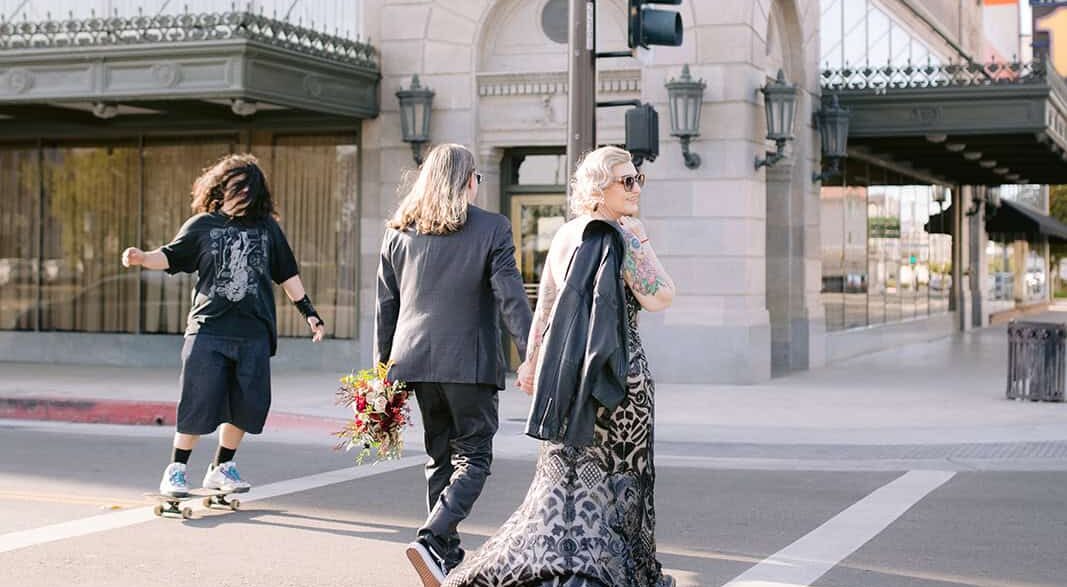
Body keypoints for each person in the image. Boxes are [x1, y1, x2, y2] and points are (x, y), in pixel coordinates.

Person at [443, 146, 677, 587]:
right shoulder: (619, 236)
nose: (635, 189)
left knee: (558, 488)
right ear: (597, 188)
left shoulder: (567, 235)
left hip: (569, 383)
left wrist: (532, 363)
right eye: (625, 181)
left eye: (637, 180)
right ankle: (613, 572)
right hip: (621, 383)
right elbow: (660, 295)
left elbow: (546, 309)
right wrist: (640, 237)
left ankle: (536, 567)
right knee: (621, 484)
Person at [374, 143, 533, 587]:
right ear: (468, 180)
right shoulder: (492, 227)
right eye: (478, 177)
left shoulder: (398, 231)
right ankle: (432, 536)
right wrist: (531, 354)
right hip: (469, 362)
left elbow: (385, 308)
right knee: (475, 456)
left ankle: (444, 552)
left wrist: (381, 374)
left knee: (439, 455)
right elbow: (511, 299)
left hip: (414, 361)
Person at [120, 154, 325, 498]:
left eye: (248, 189)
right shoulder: (202, 225)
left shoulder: (267, 229)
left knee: (246, 405)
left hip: (254, 332)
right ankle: (177, 469)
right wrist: (142, 257)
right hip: (208, 329)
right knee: (197, 400)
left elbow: (287, 274)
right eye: (236, 188)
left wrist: (310, 313)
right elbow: (171, 256)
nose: (242, 195)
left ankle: (221, 467)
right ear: (221, 188)